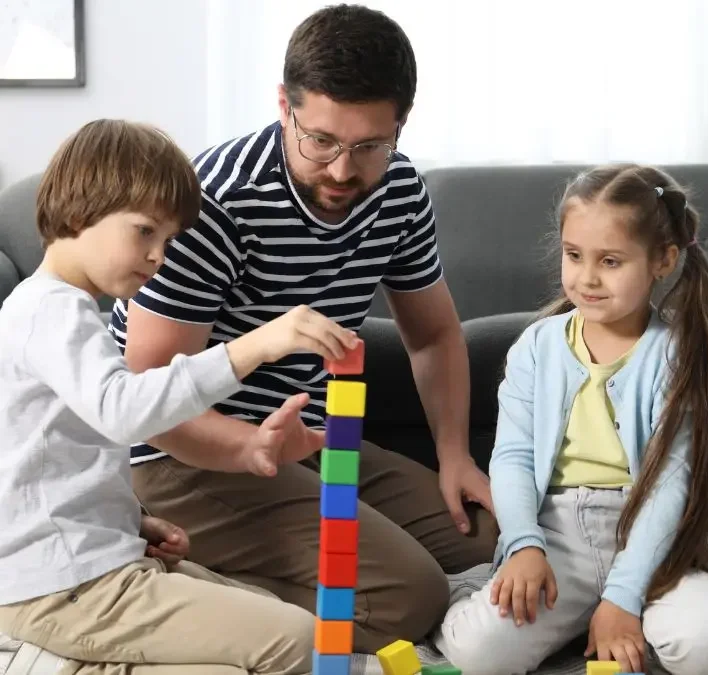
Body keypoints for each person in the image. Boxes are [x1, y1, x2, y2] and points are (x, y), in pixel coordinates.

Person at [110, 3, 497, 650]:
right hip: (176, 459)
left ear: (400, 125)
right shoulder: (215, 202)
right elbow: (149, 397)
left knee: (481, 536)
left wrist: (453, 454)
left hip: (310, 440)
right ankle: (169, 574)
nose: (344, 171)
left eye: (370, 145)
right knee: (408, 596)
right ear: (283, 106)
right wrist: (250, 450)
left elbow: (432, 335)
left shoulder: (398, 188)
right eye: (321, 141)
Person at [0, 118, 362, 674]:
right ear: (78, 214)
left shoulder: (61, 312)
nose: (158, 257)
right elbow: (121, 412)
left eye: (166, 241)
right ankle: (57, 662)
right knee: (299, 640)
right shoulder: (50, 309)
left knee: (264, 619)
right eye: (145, 231)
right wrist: (252, 348)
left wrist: (131, 520)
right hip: (61, 586)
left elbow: (43, 462)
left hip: (91, 565)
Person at [433, 165, 708, 675]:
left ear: (663, 260)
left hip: (650, 537)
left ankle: (611, 615)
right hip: (556, 532)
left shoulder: (676, 355)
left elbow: (670, 485)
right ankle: (507, 595)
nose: (586, 277)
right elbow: (513, 457)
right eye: (573, 255)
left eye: (610, 261)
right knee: (478, 653)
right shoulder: (537, 346)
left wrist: (624, 596)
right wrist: (522, 545)